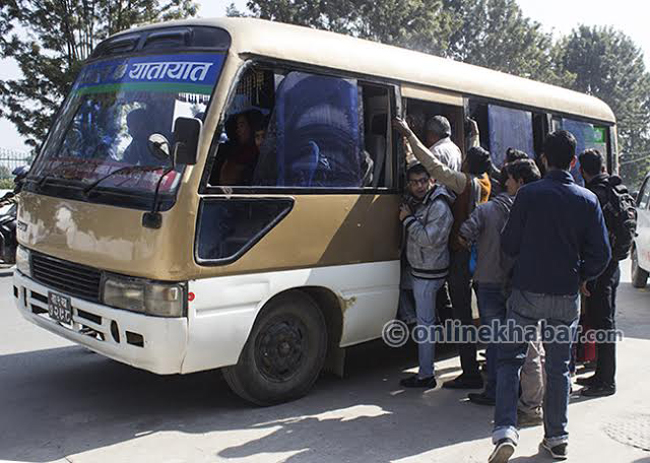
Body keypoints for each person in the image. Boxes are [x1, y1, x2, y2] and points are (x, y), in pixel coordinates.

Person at [489, 130, 610, 463]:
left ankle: (505, 431)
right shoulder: (587, 200)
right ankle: (556, 439)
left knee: (510, 359)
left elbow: (509, 244)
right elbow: (602, 253)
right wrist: (583, 275)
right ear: (573, 162)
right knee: (559, 368)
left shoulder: (528, 195)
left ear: (543, 159)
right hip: (566, 294)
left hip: (526, 291)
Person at [393, 116, 491, 390]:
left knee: (461, 316)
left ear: (468, 165)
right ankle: (473, 366)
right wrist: (476, 135)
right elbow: (478, 159)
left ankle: (469, 371)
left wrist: (410, 134)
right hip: (473, 255)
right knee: (467, 312)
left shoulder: (462, 182)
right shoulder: (484, 182)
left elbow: (433, 165)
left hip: (460, 256)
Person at [459, 159, 541, 408]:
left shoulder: (487, 210)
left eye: (508, 179)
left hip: (488, 280)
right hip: (519, 282)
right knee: (522, 341)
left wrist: (479, 249)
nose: (505, 182)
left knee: (494, 339)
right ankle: (521, 392)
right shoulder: (533, 210)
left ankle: (494, 390)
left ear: (518, 182)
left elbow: (464, 234)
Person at [577, 149, 635, 397]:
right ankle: (601, 374)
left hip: (600, 267)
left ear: (581, 170)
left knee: (603, 322)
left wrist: (587, 273)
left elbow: (589, 237)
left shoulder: (595, 196)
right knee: (605, 320)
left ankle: (606, 381)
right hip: (614, 264)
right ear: (602, 167)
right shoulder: (614, 189)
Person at [399, 163, 455, 388]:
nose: (419, 186)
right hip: (419, 270)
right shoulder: (421, 202)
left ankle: (426, 375)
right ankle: (410, 317)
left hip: (429, 272)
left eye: (423, 181)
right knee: (399, 285)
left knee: (426, 326)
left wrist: (407, 220)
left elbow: (428, 240)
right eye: (414, 182)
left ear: (432, 180)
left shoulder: (439, 206)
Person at [214, 110, 263, 186]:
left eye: (242, 125)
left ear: (252, 127)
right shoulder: (233, 150)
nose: (238, 130)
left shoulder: (254, 152)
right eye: (237, 127)